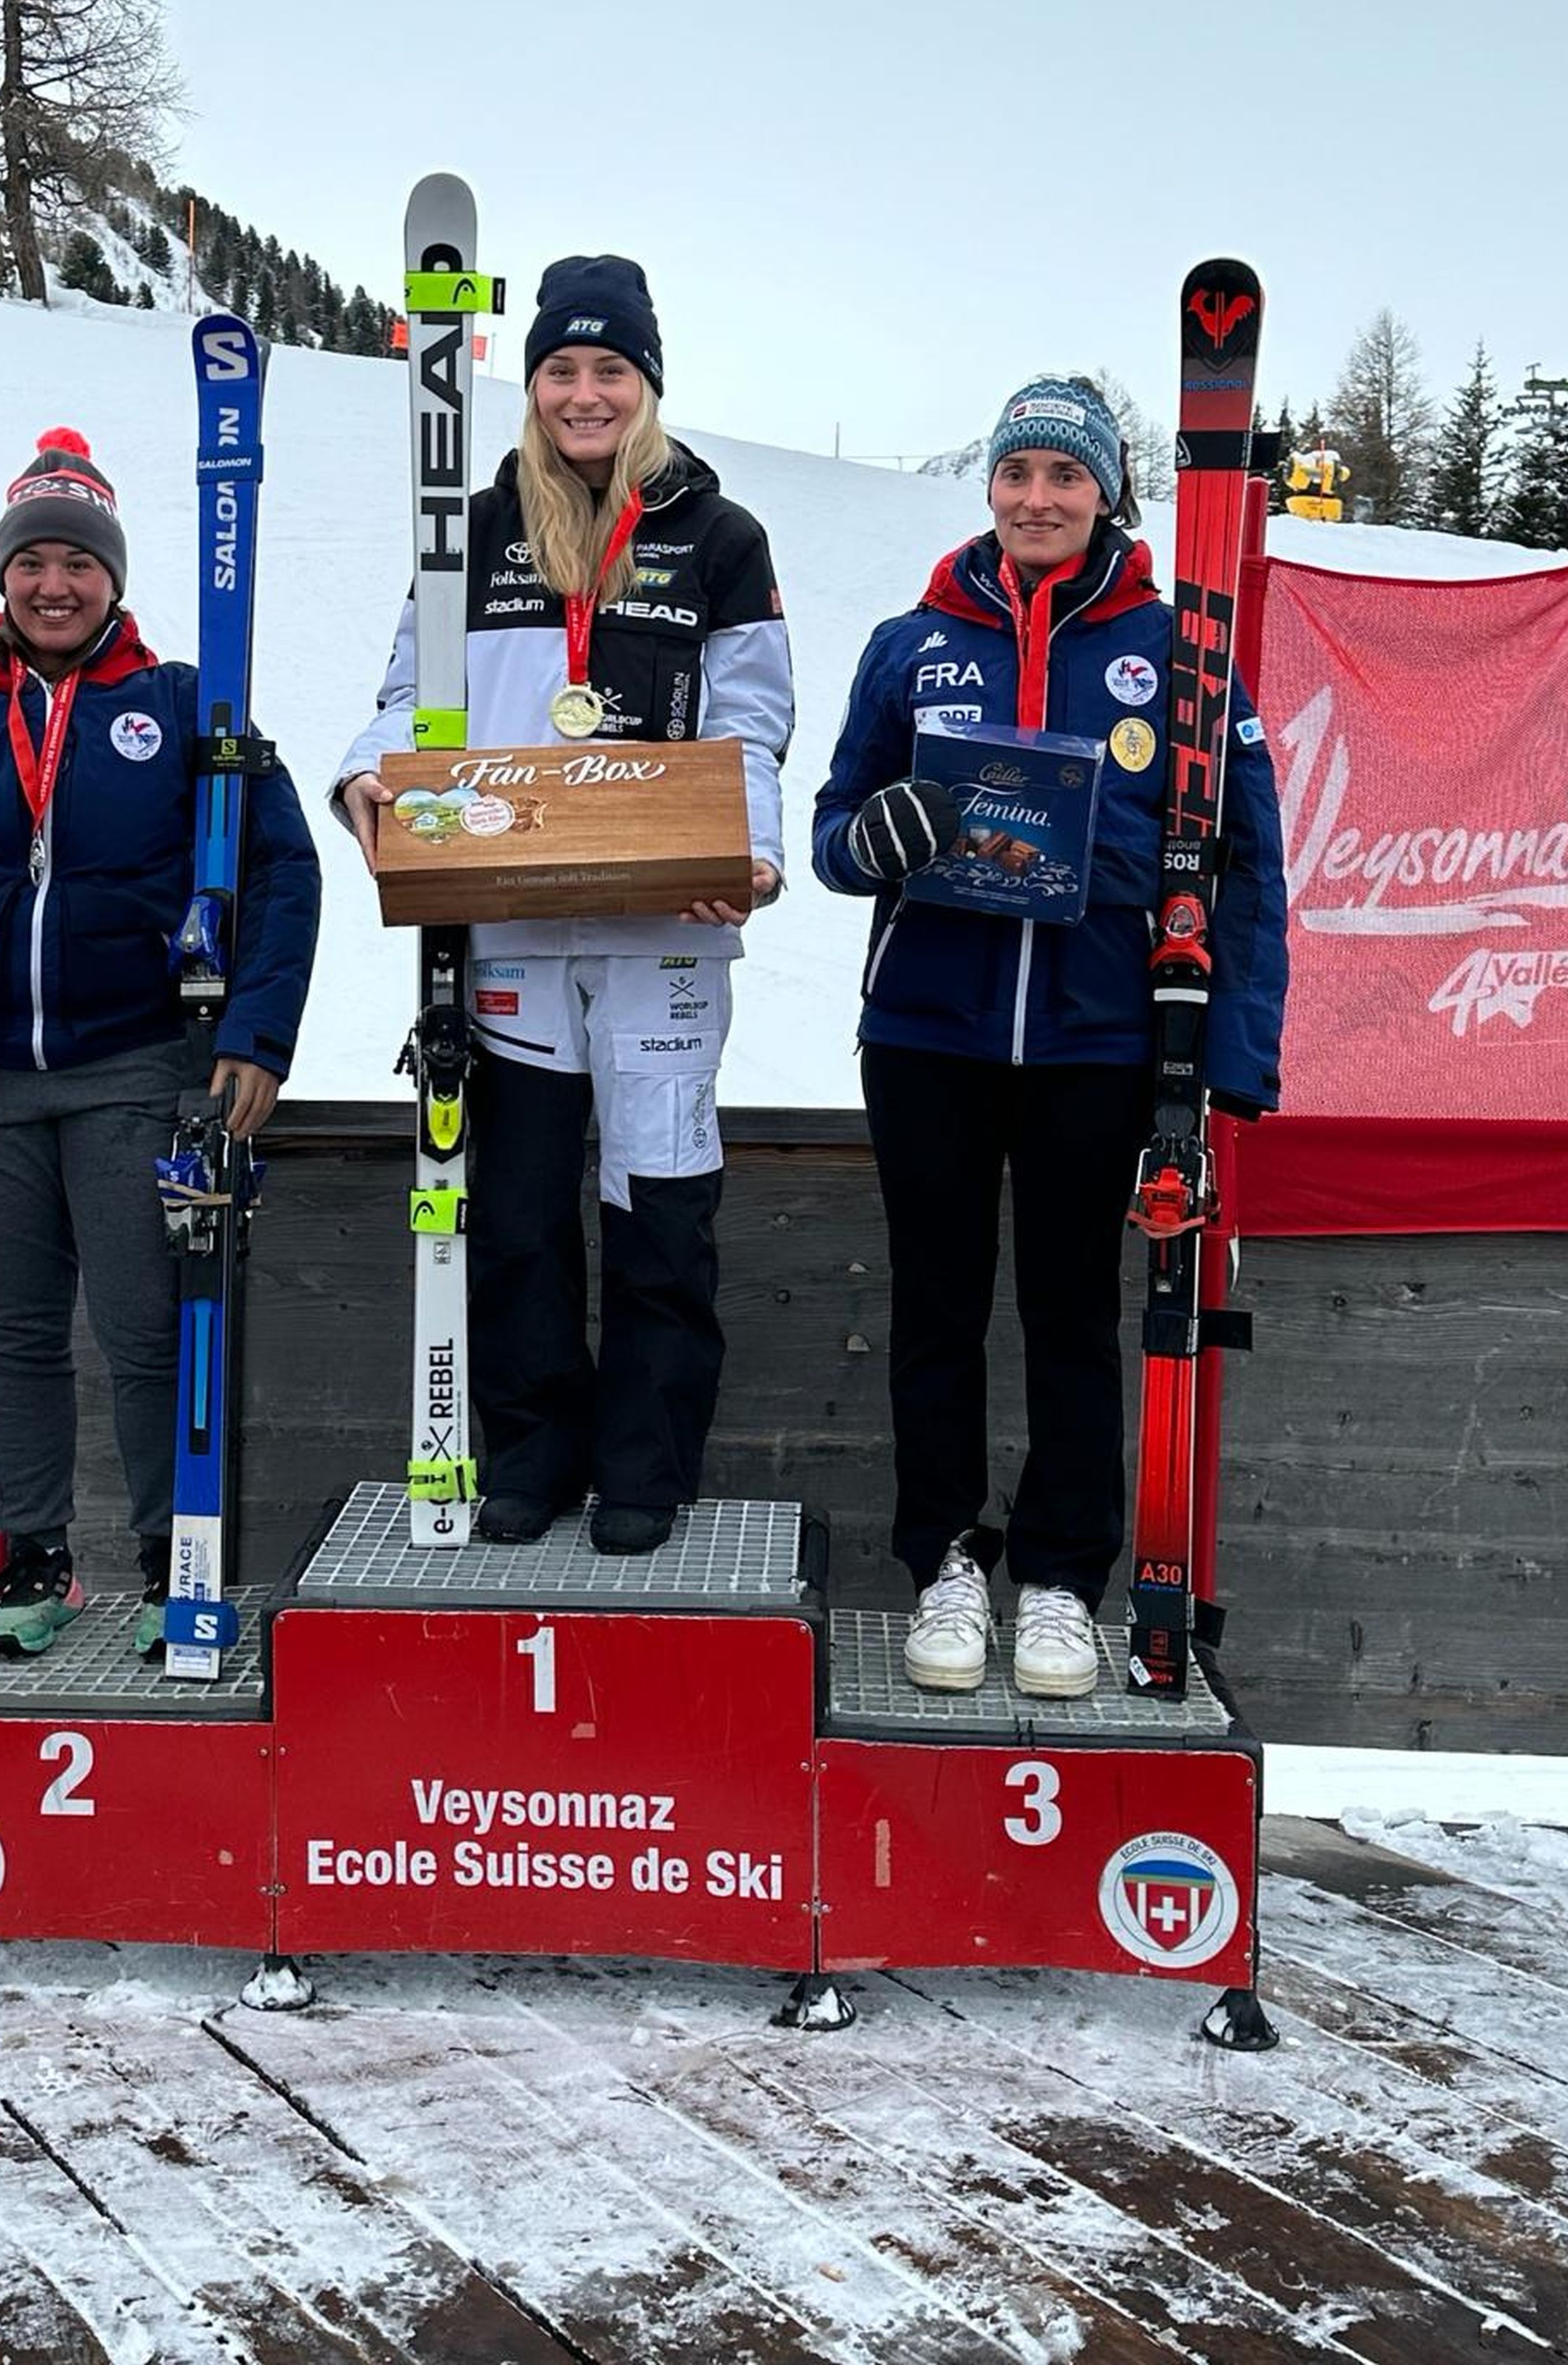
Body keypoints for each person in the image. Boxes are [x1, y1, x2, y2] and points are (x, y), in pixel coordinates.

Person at [0, 427, 321, 1657]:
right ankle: (33, 1564)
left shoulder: (184, 701)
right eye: (33, 562)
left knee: (146, 1330)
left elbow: (282, 872)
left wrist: (258, 1033)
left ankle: (166, 1563)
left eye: (79, 563)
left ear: (113, 577)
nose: (55, 585)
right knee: (14, 1332)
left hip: (134, 1068)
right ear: (6, 574)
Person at [812, 375, 1285, 1697]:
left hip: (1096, 1039)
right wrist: (875, 840)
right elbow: (833, 831)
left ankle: (1067, 1580)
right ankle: (947, 1562)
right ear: (991, 489)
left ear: (1106, 494)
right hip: (929, 1034)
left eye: (1064, 478)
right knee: (937, 1311)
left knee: (1074, 1313)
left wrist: (1233, 1063)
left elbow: (1247, 866)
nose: (1037, 499)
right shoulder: (915, 643)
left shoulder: (1180, 647)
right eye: (1018, 474)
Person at [337, 258, 793, 1557]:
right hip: (512, 928)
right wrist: (371, 779)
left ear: (649, 385)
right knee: (521, 1216)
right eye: (560, 372)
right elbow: (403, 695)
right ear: (529, 386)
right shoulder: (471, 532)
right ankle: (531, 1453)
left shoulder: (719, 537)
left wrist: (747, 853)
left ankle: (646, 1468)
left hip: (667, 933)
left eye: (611, 372)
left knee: (660, 1211)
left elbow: (753, 720)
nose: (585, 395)